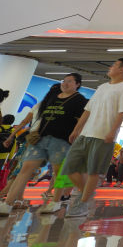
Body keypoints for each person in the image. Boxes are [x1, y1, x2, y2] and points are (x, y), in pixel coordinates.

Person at [0, 74, 88, 216]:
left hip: (61, 141)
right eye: (64, 81)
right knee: (25, 170)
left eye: (69, 81)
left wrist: (77, 135)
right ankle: (7, 204)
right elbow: (40, 119)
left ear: (77, 84)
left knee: (58, 172)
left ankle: (57, 202)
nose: (65, 83)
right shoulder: (52, 98)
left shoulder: (79, 100)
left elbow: (82, 121)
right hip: (40, 139)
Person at [62, 58, 123, 218]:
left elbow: (122, 112)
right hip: (85, 134)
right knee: (69, 167)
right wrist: (76, 129)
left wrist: (113, 131)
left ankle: (82, 203)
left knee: (93, 172)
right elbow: (88, 110)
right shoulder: (102, 87)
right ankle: (86, 195)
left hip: (103, 135)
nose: (110, 67)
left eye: (114, 65)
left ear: (122, 69)